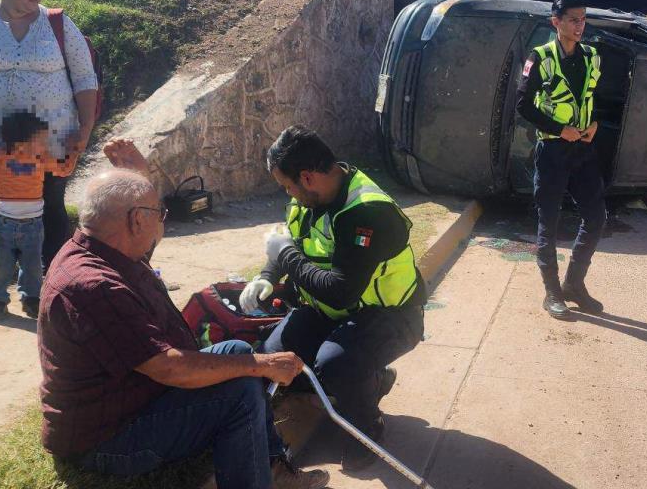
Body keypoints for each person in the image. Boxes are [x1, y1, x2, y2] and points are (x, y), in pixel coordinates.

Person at [36, 140, 328, 489]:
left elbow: (143, 238)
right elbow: (169, 367)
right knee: (240, 392)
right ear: (135, 220)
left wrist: (141, 180)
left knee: (235, 352)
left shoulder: (105, 248)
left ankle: (272, 472)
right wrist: (262, 365)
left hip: (131, 399)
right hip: (108, 440)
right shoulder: (94, 285)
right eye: (159, 214)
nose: (162, 223)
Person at [246, 126, 426, 471]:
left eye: (288, 186)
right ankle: (369, 380)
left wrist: (285, 257)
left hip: (390, 315)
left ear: (308, 177)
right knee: (276, 358)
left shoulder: (367, 213)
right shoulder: (309, 201)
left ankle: (366, 426)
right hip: (332, 310)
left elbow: (341, 291)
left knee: (336, 366)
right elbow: (293, 244)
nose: (289, 195)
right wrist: (267, 275)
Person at [0, 0, 98, 276]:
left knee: (49, 213)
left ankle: (58, 290)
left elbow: (86, 79)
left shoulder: (57, 23)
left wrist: (83, 133)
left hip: (51, 143)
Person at [516, 0, 607, 319]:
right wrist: (558, 129)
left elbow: (601, 97)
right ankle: (552, 292)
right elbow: (523, 106)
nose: (580, 25)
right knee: (548, 223)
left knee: (596, 217)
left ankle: (574, 284)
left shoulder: (591, 56)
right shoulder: (540, 58)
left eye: (583, 19)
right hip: (553, 150)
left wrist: (596, 122)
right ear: (556, 22)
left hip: (583, 149)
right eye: (573, 20)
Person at [0, 111, 76, 320]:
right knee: (0, 266)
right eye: (41, 140)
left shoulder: (43, 160)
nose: (46, 144)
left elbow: (64, 169)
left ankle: (31, 300)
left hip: (33, 224)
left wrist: (73, 150)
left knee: (33, 266)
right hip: (3, 223)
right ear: (22, 143)